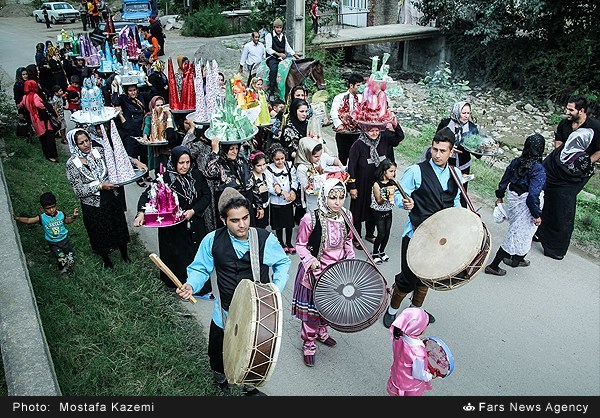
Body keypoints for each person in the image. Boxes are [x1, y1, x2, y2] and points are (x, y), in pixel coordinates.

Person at [176, 187, 291, 396]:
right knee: (217, 351)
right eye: (235, 220)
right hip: (224, 310)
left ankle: (249, 387)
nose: (242, 225)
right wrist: (191, 284)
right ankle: (221, 381)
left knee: (255, 352)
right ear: (223, 220)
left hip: (257, 313)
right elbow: (200, 267)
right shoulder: (212, 240)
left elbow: (283, 263)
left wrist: (274, 290)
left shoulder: (265, 239)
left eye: (245, 218)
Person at [382, 127, 463, 328]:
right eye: (435, 149)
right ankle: (392, 310)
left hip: (440, 238)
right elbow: (399, 195)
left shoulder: (456, 174)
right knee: (407, 278)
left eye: (443, 151)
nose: (437, 154)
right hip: (416, 234)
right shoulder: (416, 171)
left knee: (427, 278)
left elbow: (457, 202)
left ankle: (415, 311)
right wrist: (405, 203)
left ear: (451, 152)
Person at [134, 146, 213, 297]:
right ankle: (177, 287)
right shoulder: (164, 179)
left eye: (188, 162)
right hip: (174, 228)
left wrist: (194, 210)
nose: (185, 166)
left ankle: (199, 288)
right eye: (181, 163)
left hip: (195, 223)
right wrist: (141, 213)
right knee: (178, 257)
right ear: (174, 162)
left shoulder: (196, 175)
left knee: (197, 256)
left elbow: (206, 195)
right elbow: (147, 196)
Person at [292, 178, 355, 367]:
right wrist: (311, 261)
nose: (338, 202)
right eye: (333, 198)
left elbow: (348, 241)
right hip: (315, 274)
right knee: (312, 313)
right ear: (324, 197)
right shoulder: (310, 218)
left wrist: (350, 258)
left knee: (330, 310)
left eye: (341, 197)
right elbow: (300, 245)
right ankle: (309, 343)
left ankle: (322, 332)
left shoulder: (347, 216)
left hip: (337, 275)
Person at [65, 129, 144, 268]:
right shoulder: (72, 164)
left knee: (118, 224)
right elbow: (78, 190)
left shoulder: (99, 151)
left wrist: (135, 162)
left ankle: (124, 254)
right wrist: (100, 186)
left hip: (111, 197)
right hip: (93, 204)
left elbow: (118, 159)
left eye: (87, 140)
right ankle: (106, 259)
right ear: (75, 145)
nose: (85, 145)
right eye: (81, 143)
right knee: (99, 230)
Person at [485, 134, 546, 275]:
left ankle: (518, 258)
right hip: (526, 207)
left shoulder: (516, 162)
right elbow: (533, 196)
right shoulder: (538, 170)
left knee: (521, 232)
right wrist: (536, 215)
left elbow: (504, 181)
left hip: (514, 202)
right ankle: (493, 266)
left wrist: (499, 197)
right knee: (516, 234)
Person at [536, 127, 596, 260]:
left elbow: (546, 165)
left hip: (549, 189)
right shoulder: (583, 158)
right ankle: (555, 250)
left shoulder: (561, 151)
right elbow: (584, 174)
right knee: (561, 220)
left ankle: (539, 234)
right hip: (564, 195)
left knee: (546, 211)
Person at [347, 114, 404, 247]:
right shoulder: (358, 145)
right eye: (371, 130)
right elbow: (352, 167)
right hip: (361, 184)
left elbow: (399, 138)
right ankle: (356, 238)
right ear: (365, 130)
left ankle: (370, 234)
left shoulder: (383, 139)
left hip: (378, 184)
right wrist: (352, 186)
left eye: (377, 130)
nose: (374, 133)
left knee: (374, 209)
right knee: (358, 211)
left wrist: (395, 124)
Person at [12, 192, 78, 274]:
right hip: (54, 243)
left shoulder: (61, 214)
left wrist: (74, 217)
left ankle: (71, 268)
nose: (51, 210)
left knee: (70, 256)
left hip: (65, 240)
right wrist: (17, 218)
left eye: (53, 207)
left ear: (56, 204)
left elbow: (68, 221)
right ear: (43, 208)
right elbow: (29, 220)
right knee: (61, 258)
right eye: (48, 208)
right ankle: (62, 270)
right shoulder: (42, 218)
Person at [204, 139, 262, 228]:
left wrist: (259, 205)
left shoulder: (243, 162)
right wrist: (214, 152)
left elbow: (252, 183)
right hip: (229, 206)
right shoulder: (219, 164)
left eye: (236, 148)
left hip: (246, 203)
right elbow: (209, 172)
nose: (235, 152)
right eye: (231, 149)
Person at [435, 101, 480, 207]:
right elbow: (436, 141)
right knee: (444, 186)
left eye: (468, 113)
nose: (466, 116)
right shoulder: (445, 124)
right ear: (457, 112)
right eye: (463, 113)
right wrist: (449, 148)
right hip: (445, 163)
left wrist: (477, 148)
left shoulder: (472, 128)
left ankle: (461, 214)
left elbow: (478, 153)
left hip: (463, 165)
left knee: (461, 190)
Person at [387, 308, 434, 396]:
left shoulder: (397, 336)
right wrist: (429, 376)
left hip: (397, 375)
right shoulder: (418, 352)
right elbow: (418, 374)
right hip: (409, 386)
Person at [294, 135, 344, 215]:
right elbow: (306, 188)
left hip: (327, 198)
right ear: (306, 153)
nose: (319, 158)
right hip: (313, 200)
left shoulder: (322, 157)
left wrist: (340, 166)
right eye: (315, 156)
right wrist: (321, 176)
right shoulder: (302, 168)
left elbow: (334, 160)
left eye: (320, 155)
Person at [265, 145, 299, 254]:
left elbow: (295, 179)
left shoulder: (289, 166)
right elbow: (269, 186)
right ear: (272, 159)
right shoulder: (269, 169)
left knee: (289, 223)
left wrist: (293, 191)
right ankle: (281, 242)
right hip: (277, 201)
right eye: (277, 159)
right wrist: (281, 193)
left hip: (288, 199)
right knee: (279, 224)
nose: (280, 161)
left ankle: (289, 242)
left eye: (282, 158)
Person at [17, 79, 58, 162]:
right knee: (49, 136)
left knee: (42, 137)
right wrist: (46, 106)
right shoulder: (35, 95)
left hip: (34, 120)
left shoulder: (25, 97)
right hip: (42, 119)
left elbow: (20, 105)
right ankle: (51, 156)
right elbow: (38, 104)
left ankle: (46, 154)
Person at [330, 73, 364, 165]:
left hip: (357, 133)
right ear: (351, 85)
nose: (360, 88)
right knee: (343, 157)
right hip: (343, 133)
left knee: (357, 157)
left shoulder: (362, 98)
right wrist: (339, 124)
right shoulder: (340, 97)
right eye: (358, 86)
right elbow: (334, 112)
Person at [371, 158, 399, 264]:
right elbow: (379, 201)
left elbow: (398, 194)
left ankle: (382, 251)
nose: (393, 173)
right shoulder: (377, 184)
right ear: (384, 171)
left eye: (394, 171)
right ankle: (374, 252)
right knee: (381, 233)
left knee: (387, 233)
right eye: (391, 171)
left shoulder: (393, 182)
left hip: (389, 211)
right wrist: (385, 196)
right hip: (379, 212)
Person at [264, 18, 301, 99]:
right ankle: (272, 91)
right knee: (274, 70)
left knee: (293, 69)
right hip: (273, 58)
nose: (279, 29)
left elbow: (287, 47)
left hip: (282, 59)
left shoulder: (283, 36)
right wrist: (279, 54)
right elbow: (268, 49)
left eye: (280, 28)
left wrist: (295, 55)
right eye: (277, 27)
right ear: (274, 27)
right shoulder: (269, 36)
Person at [249, 150, 270, 229]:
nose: (262, 167)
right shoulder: (251, 177)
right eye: (259, 165)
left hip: (266, 204)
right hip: (256, 207)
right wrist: (259, 207)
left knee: (264, 226)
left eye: (264, 164)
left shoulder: (265, 173)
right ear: (253, 165)